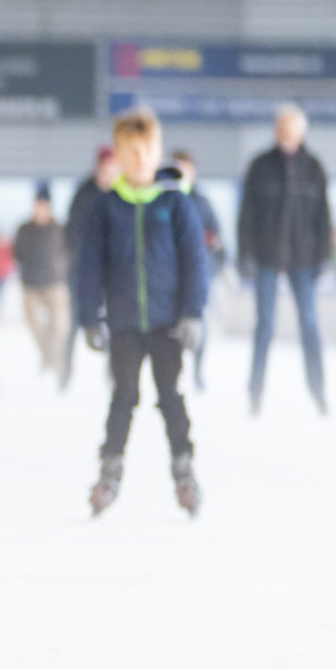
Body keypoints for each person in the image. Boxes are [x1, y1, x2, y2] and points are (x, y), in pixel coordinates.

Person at [72, 108, 209, 518]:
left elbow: (195, 262)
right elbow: (89, 266)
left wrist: (193, 312)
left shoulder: (176, 204)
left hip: (168, 323)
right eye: (130, 151)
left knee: (171, 396)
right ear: (117, 154)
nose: (138, 159)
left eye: (146, 150)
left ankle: (184, 470)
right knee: (124, 396)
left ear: (158, 152)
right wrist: (88, 318)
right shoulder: (106, 207)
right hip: (125, 321)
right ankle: (109, 472)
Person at [237, 105, 331, 416]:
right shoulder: (260, 166)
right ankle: (255, 393)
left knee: (310, 324)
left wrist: (323, 258)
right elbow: (246, 214)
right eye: (281, 130)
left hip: (303, 260)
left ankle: (319, 392)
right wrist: (245, 255)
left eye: (291, 131)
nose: (285, 136)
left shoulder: (313, 168)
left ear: (301, 133)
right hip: (266, 256)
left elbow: (323, 218)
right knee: (264, 325)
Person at [61, 147, 118, 389]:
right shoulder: (84, 194)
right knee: (76, 319)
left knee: (117, 322)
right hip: (84, 269)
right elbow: (71, 231)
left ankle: (114, 373)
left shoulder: (121, 194)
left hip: (114, 270)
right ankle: (65, 371)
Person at [168, 150, 224, 391]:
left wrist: (213, 266)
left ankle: (198, 370)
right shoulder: (163, 201)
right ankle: (173, 373)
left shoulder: (202, 203)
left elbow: (217, 240)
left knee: (199, 323)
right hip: (170, 276)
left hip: (198, 273)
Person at [13, 186, 69, 375]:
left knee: (59, 325)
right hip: (30, 283)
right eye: (38, 205)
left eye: (45, 205)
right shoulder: (24, 229)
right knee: (34, 324)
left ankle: (54, 360)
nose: (41, 209)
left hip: (55, 282)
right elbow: (17, 253)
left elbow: (67, 252)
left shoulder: (59, 228)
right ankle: (48, 357)